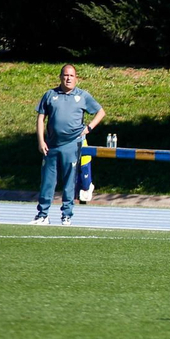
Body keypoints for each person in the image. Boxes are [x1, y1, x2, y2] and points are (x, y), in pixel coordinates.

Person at [35, 65, 104, 226]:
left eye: (71, 75)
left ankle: (67, 215)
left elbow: (100, 112)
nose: (68, 78)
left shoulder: (82, 96)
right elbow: (40, 118)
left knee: (69, 181)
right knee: (47, 181)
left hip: (72, 144)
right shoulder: (50, 95)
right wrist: (41, 140)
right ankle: (42, 214)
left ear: (76, 78)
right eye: (66, 75)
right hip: (51, 145)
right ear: (60, 77)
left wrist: (89, 128)